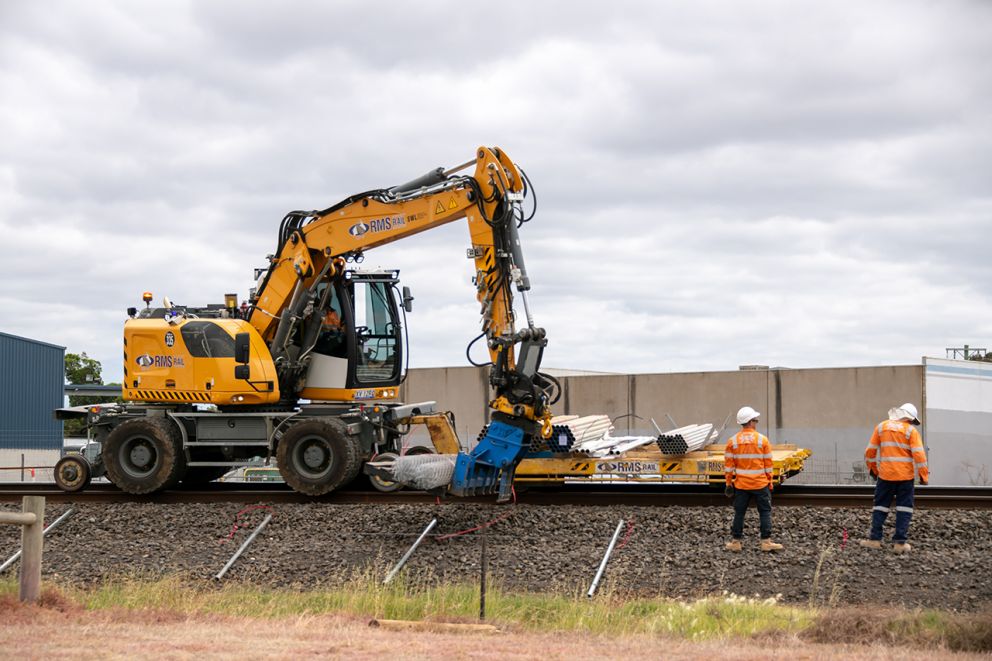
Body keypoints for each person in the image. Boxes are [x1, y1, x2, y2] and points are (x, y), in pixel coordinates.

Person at [859, 403, 928, 553]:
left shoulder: (881, 427)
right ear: (909, 418)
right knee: (904, 508)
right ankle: (900, 543)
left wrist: (874, 470)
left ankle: (875, 540)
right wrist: (923, 475)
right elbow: (920, 456)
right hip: (905, 477)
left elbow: (869, 452)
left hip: (885, 476)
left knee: (880, 506)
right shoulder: (911, 431)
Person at [724, 406, 783, 552]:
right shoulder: (762, 440)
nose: (756, 422)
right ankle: (766, 542)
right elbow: (768, 465)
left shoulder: (732, 441)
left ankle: (736, 542)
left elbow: (729, 466)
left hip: (742, 485)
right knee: (764, 512)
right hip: (760, 484)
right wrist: (770, 482)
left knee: (739, 513)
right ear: (750, 421)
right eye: (755, 420)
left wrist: (728, 484)